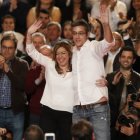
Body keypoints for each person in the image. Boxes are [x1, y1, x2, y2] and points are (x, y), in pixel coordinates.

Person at [71, 1, 114, 140]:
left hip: (97, 108)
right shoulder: (70, 52)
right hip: (78, 108)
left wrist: (106, 24)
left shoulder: (94, 47)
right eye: (74, 33)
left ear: (87, 34)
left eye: (81, 33)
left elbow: (108, 43)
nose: (77, 36)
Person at [26, 21, 75, 140]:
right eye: (57, 53)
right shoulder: (50, 64)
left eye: (63, 53)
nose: (60, 56)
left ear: (69, 54)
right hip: (48, 111)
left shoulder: (77, 70)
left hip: (68, 113)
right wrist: (29, 33)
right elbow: (31, 51)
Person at [106, 47, 140, 140]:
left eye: (129, 57)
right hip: (112, 123)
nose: (126, 60)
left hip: (131, 123)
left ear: (133, 60)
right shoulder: (110, 77)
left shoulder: (138, 79)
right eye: (123, 57)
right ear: (119, 59)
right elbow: (105, 100)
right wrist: (112, 85)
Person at [0, 34, 29, 140]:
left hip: (16, 112)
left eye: (10, 48)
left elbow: (23, 86)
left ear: (15, 49)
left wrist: (8, 71)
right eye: (4, 47)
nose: (6, 51)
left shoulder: (23, 64)